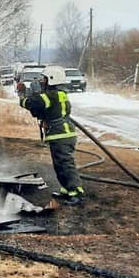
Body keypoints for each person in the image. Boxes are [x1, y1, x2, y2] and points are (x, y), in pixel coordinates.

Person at [20, 65, 84, 205]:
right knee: (59, 165)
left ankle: (76, 192)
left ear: (52, 80)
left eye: (44, 79)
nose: (41, 81)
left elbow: (31, 103)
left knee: (65, 165)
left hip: (62, 135)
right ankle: (67, 190)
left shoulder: (51, 96)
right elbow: (39, 111)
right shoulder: (56, 95)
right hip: (60, 135)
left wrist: (23, 96)